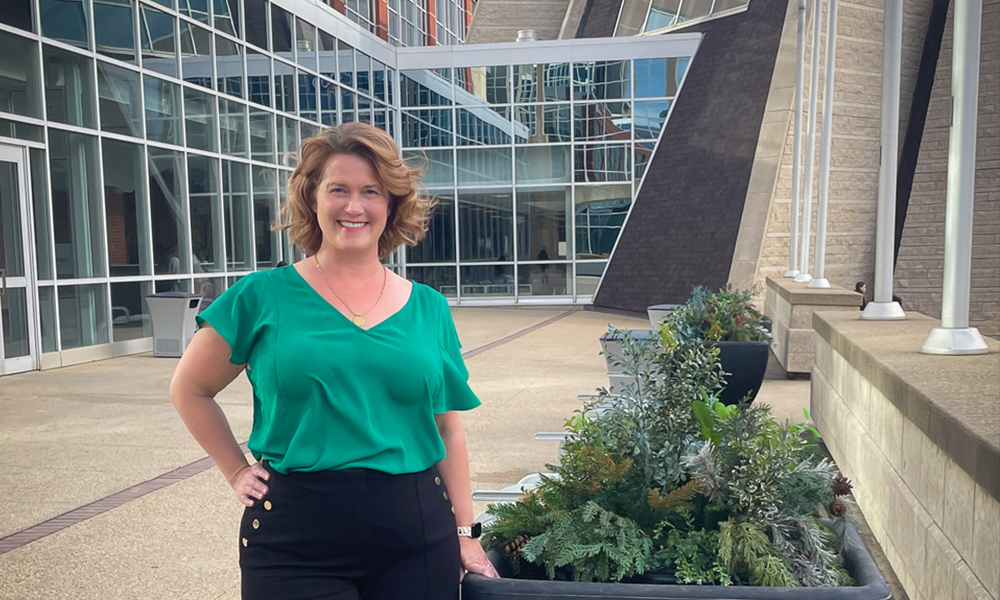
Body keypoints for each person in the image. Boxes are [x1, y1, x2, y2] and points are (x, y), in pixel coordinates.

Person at [170, 123, 499, 600]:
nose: (354, 206)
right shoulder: (261, 296)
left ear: (391, 204)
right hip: (295, 541)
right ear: (313, 198)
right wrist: (236, 470)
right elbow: (190, 389)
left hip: (416, 537)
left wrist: (465, 533)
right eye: (338, 189)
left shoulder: (428, 307)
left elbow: (447, 429)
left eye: (371, 191)